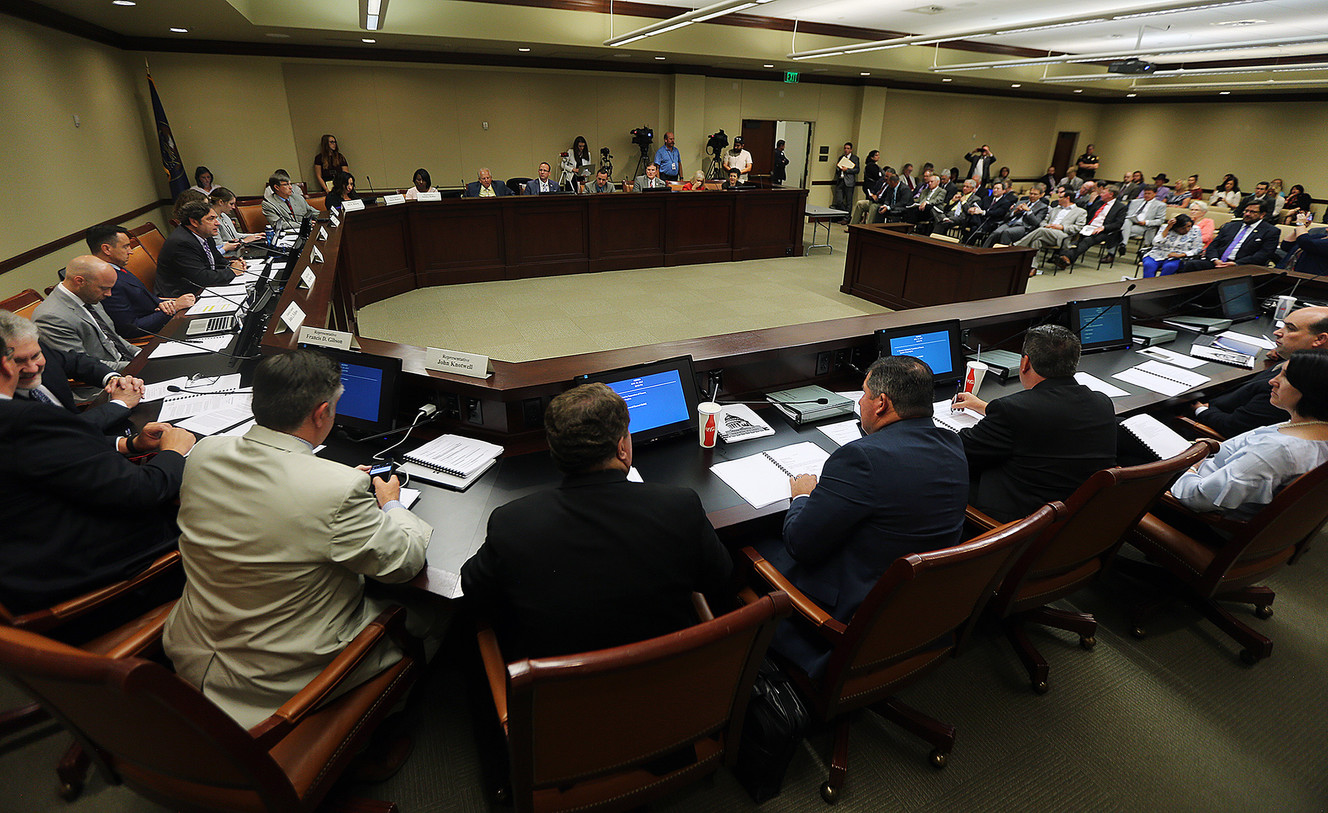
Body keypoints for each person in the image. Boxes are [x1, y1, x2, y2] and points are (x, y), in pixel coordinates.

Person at [163, 349, 433, 729]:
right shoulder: (335, 489)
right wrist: (391, 505)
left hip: (193, 647)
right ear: (322, 413)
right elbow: (404, 562)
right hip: (277, 680)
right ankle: (386, 730)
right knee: (429, 617)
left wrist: (330, 481)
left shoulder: (205, 451)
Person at [461, 383, 731, 660]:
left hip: (564, 696)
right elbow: (721, 579)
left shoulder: (512, 523)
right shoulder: (680, 506)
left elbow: (474, 590)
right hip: (678, 687)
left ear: (555, 453)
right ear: (622, 449)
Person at [753, 355, 968, 677]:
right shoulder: (952, 442)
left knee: (748, 547)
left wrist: (802, 496)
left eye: (863, 395)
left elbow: (800, 544)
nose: (861, 403)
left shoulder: (862, 458)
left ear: (881, 403)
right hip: (919, 602)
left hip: (854, 610)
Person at [0, 327, 194, 615]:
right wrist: (172, 453)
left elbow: (54, 458)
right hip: (72, 575)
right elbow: (141, 491)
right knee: (208, 512)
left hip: (26, 553)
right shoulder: (26, 420)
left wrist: (130, 444)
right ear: (6, 364)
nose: (30, 366)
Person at [953, 325, 1117, 523]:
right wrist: (986, 408)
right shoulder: (1102, 403)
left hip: (1020, 524)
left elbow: (960, 450)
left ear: (1025, 363)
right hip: (1077, 520)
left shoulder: (1013, 410)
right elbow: (1049, 419)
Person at [1168, 349, 1328, 522]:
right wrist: (1204, 450)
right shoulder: (1307, 427)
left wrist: (1192, 465)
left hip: (1199, 512)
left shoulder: (1277, 450)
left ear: (1311, 390)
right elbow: (1237, 450)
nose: (1272, 381)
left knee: (1135, 457)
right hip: (1208, 473)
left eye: (1286, 377)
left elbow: (1197, 499)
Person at [1187, 306, 1328, 438]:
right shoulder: (1309, 363)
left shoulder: (1290, 385)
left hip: (1211, 431)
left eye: (1290, 328)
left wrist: (1200, 410)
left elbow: (1233, 426)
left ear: (1320, 339)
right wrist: (1284, 353)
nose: (1277, 332)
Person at [0, 310, 141, 432]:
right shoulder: (8, 409)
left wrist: (113, 379)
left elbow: (75, 362)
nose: (32, 368)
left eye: (36, 356)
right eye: (18, 361)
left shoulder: (30, 346)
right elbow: (62, 433)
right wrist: (120, 404)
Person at [32, 255, 138, 373]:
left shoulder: (88, 295)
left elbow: (113, 338)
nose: (109, 294)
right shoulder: (50, 317)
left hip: (126, 367)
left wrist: (141, 354)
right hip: (103, 382)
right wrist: (137, 365)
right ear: (79, 281)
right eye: (104, 288)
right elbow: (83, 365)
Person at [87, 224, 194, 340]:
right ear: (106, 249)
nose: (130, 251)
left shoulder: (118, 269)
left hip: (160, 320)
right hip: (154, 336)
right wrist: (174, 307)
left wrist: (163, 304)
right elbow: (131, 328)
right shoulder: (106, 281)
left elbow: (143, 300)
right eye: (125, 247)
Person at [156, 201, 246, 298]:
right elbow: (201, 277)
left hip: (204, 287)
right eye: (211, 219)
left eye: (216, 218)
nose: (218, 223)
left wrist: (233, 264)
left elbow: (217, 260)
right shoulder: (181, 242)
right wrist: (232, 271)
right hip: (182, 296)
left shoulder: (205, 234)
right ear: (194, 222)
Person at [1180, 200, 1280, 273]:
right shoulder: (1231, 226)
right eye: (1246, 211)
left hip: (1242, 266)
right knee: (1191, 265)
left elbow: (1263, 255)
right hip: (1217, 262)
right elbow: (1213, 246)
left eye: (1252, 212)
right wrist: (1215, 259)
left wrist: (1236, 263)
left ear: (1262, 214)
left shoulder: (1270, 231)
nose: (1247, 214)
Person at [1057, 185, 1126, 268]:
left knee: (1087, 241)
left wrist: (1103, 228)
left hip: (1104, 231)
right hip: (1088, 227)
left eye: (1103, 193)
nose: (1100, 194)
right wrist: (1091, 202)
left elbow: (1118, 224)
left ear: (1111, 194)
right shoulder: (1098, 203)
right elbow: (1088, 214)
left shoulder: (1120, 207)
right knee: (1071, 237)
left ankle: (1065, 257)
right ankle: (1066, 259)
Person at [1014, 189, 1087, 258]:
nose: (1058, 199)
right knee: (1036, 241)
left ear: (1067, 198)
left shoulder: (1080, 212)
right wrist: (1047, 225)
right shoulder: (1055, 209)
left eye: (1060, 197)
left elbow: (1078, 227)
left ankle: (1016, 247)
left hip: (1063, 235)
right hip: (1048, 232)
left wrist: (1061, 227)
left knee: (1041, 230)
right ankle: (1032, 267)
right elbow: (1043, 222)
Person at [984, 183, 1048, 246]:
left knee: (1006, 232)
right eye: (1031, 193)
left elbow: (1036, 223)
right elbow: (1006, 217)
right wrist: (1015, 212)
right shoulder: (1021, 202)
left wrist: (1029, 211)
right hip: (1011, 223)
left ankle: (1002, 254)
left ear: (1041, 195)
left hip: (1023, 227)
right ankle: (984, 250)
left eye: (1035, 194)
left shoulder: (1043, 207)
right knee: (996, 232)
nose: (1032, 196)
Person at [1140, 213, 1203, 278]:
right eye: (1183, 228)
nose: (1187, 229)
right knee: (1149, 264)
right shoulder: (1165, 227)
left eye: (1189, 226)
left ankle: (1161, 286)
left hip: (1178, 257)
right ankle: (1148, 286)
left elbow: (1197, 248)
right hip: (1157, 253)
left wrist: (1181, 254)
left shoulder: (1195, 230)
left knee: (1170, 266)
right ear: (1176, 227)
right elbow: (1155, 243)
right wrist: (1167, 228)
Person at [208, 187, 264, 257]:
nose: (234, 207)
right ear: (221, 202)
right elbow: (218, 245)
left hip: (235, 251)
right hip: (226, 256)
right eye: (231, 204)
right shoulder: (211, 221)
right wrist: (243, 241)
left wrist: (255, 235)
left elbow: (236, 235)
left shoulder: (224, 215)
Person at [831, 142, 860, 213]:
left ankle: (846, 218)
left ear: (851, 150)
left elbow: (857, 170)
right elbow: (837, 168)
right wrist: (839, 168)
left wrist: (847, 170)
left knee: (848, 201)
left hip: (849, 182)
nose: (846, 150)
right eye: (845, 148)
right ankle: (841, 214)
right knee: (839, 200)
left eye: (848, 148)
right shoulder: (841, 158)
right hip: (840, 180)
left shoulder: (855, 158)